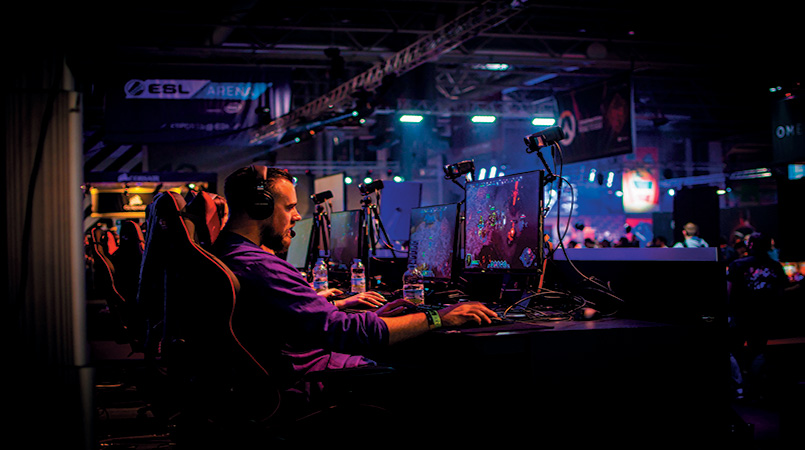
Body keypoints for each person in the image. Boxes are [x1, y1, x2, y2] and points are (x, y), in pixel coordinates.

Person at [212, 165, 498, 418]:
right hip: (311, 381)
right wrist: (439, 319)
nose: (297, 216)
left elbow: (301, 324)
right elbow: (341, 332)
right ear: (260, 207)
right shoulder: (259, 265)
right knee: (446, 375)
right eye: (289, 207)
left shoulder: (228, 254)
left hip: (281, 375)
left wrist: (377, 317)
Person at [727, 232, 790, 400]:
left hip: (740, 316)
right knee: (757, 351)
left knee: (734, 351)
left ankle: (740, 387)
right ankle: (754, 388)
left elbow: (729, 293)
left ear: (750, 245)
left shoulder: (737, 265)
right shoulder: (775, 266)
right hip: (764, 317)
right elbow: (780, 294)